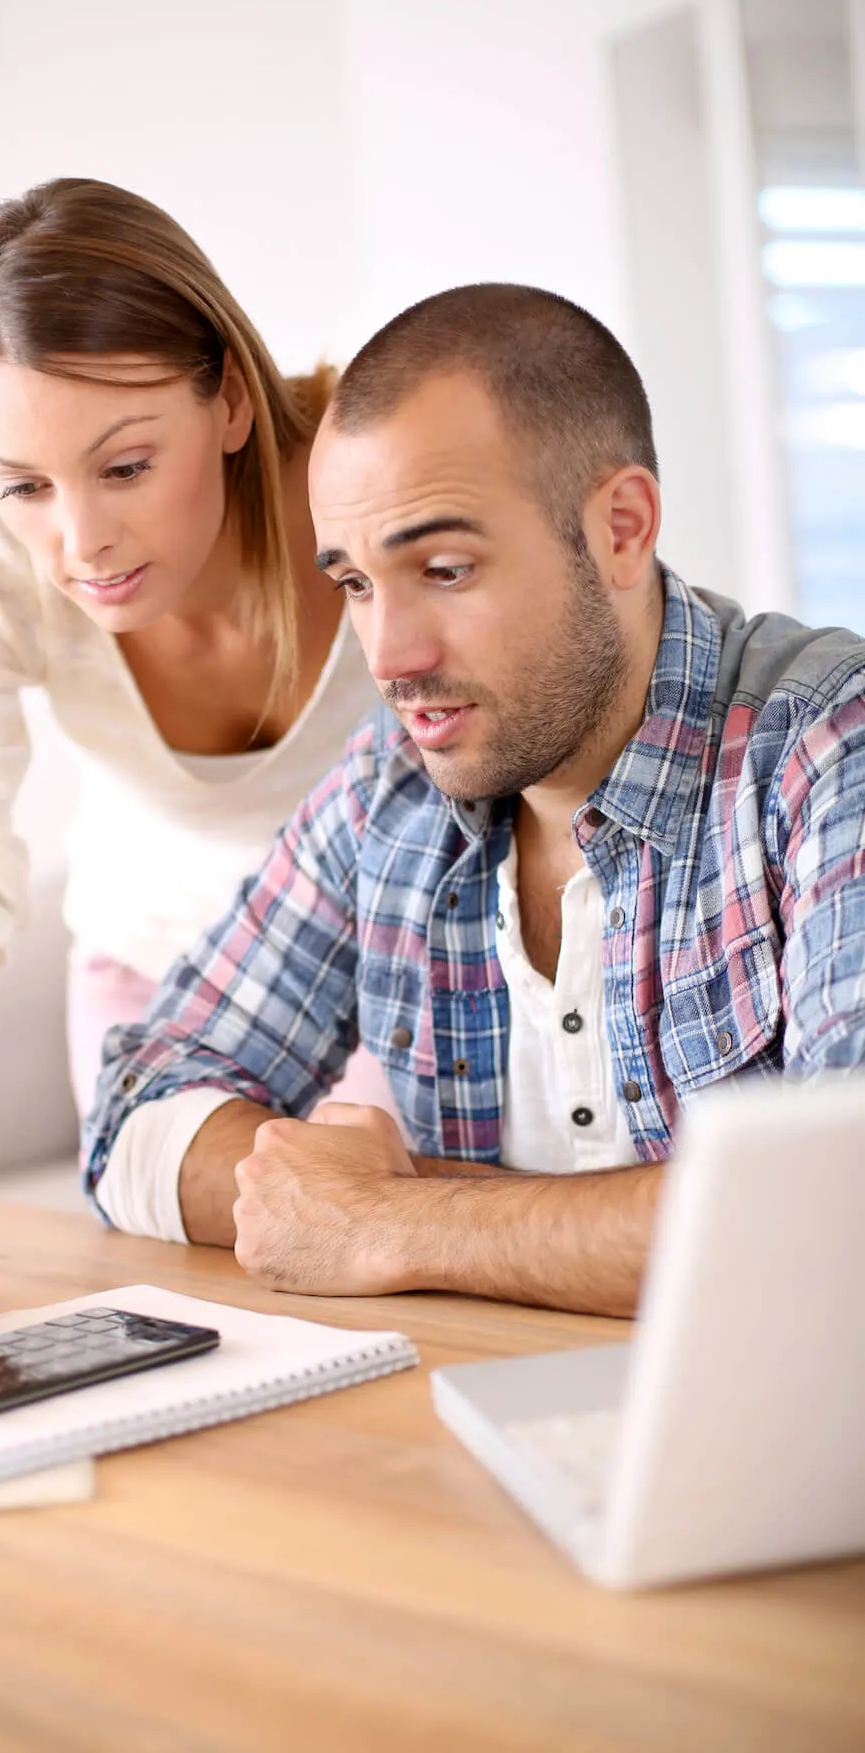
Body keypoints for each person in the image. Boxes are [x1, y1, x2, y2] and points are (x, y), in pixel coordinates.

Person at [83, 283, 865, 1318]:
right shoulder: (386, 790)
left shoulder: (824, 748)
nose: (391, 656)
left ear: (622, 529)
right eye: (355, 585)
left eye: (444, 570)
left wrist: (393, 1220)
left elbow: (839, 1219)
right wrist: (359, 1204)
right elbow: (136, 1109)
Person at [0, 179, 381, 1354]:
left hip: (400, 986)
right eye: (24, 485)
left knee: (385, 1278)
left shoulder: (368, 489)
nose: (81, 543)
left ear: (227, 396)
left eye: (124, 467)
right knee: (197, 1345)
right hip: (153, 996)